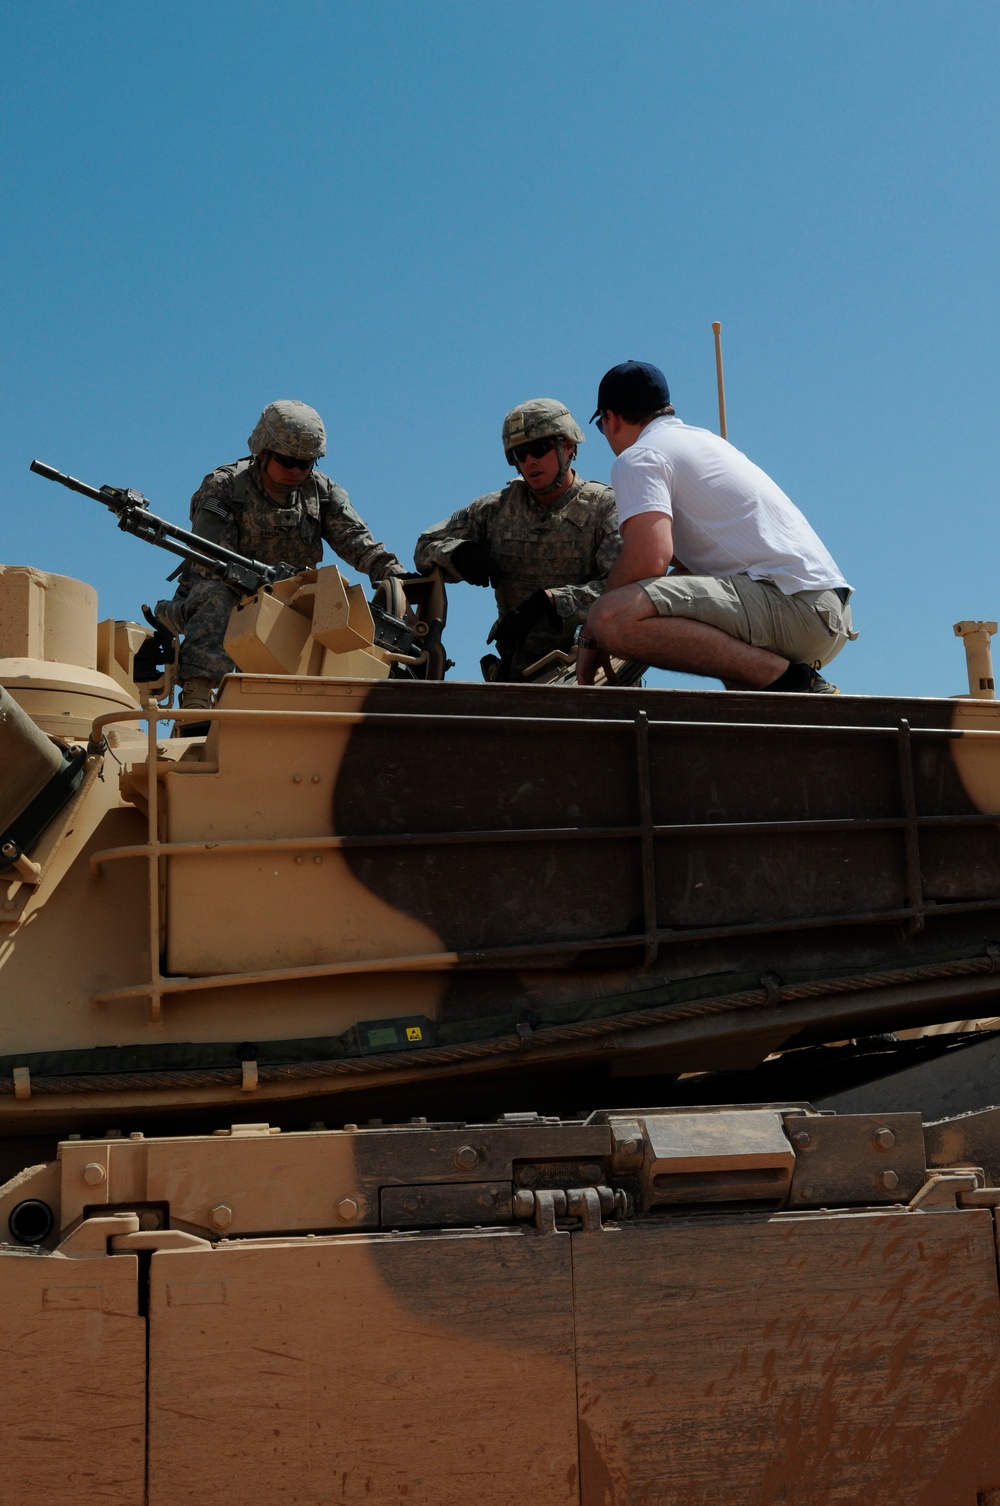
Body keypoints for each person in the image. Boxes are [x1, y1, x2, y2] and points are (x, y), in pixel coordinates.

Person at [578, 361, 855, 692]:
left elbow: (647, 559)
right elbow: (681, 564)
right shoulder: (703, 442)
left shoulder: (639, 456)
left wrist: (593, 633)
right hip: (825, 612)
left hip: (795, 608)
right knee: (678, 579)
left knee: (611, 615)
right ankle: (776, 693)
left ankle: (794, 683)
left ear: (612, 418)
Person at [155, 400, 406, 712]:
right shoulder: (226, 486)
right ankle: (197, 700)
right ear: (263, 452)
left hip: (292, 601)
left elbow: (358, 542)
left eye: (306, 463)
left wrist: (394, 575)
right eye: (287, 460)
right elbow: (209, 559)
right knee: (217, 596)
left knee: (339, 612)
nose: (296, 471)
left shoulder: (322, 493)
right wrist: (264, 587)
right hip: (225, 594)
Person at [414, 399, 620, 680]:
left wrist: (552, 602)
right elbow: (425, 546)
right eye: (520, 454)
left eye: (540, 449)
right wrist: (459, 552)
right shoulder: (496, 509)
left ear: (568, 446)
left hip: (589, 668)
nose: (530, 461)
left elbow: (623, 590)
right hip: (516, 675)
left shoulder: (604, 507)